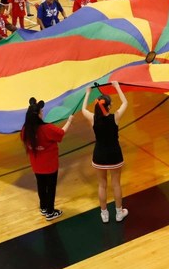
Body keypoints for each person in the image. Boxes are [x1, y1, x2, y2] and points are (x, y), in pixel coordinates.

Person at [81, 83, 129, 223]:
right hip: (114, 155)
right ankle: (119, 213)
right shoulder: (115, 117)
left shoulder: (93, 118)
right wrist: (117, 87)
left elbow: (83, 109)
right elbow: (125, 102)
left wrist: (88, 92)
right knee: (116, 184)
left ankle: (104, 214)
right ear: (108, 107)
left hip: (99, 155)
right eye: (111, 103)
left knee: (102, 185)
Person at [22, 98, 74, 220]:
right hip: (50, 166)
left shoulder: (25, 130)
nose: (43, 113)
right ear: (38, 115)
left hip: (36, 166)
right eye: (41, 111)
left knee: (41, 186)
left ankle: (44, 207)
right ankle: (50, 212)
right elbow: (61, 133)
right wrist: (69, 121)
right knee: (50, 188)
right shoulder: (47, 129)